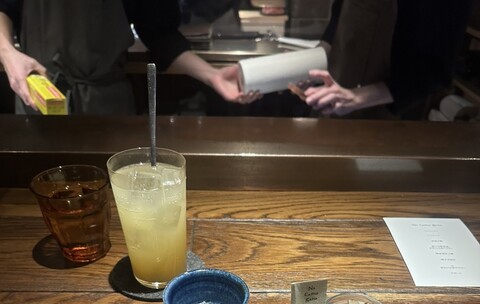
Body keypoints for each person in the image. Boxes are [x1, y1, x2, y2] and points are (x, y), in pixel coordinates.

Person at [0, 0, 251, 114]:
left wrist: (212, 75)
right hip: (38, 94)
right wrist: (8, 53)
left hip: (106, 105)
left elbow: (161, 35)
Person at [301, 0, 473, 119]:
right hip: (338, 90)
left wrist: (354, 98)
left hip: (388, 112)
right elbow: (341, 13)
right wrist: (315, 58)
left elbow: (434, 69)